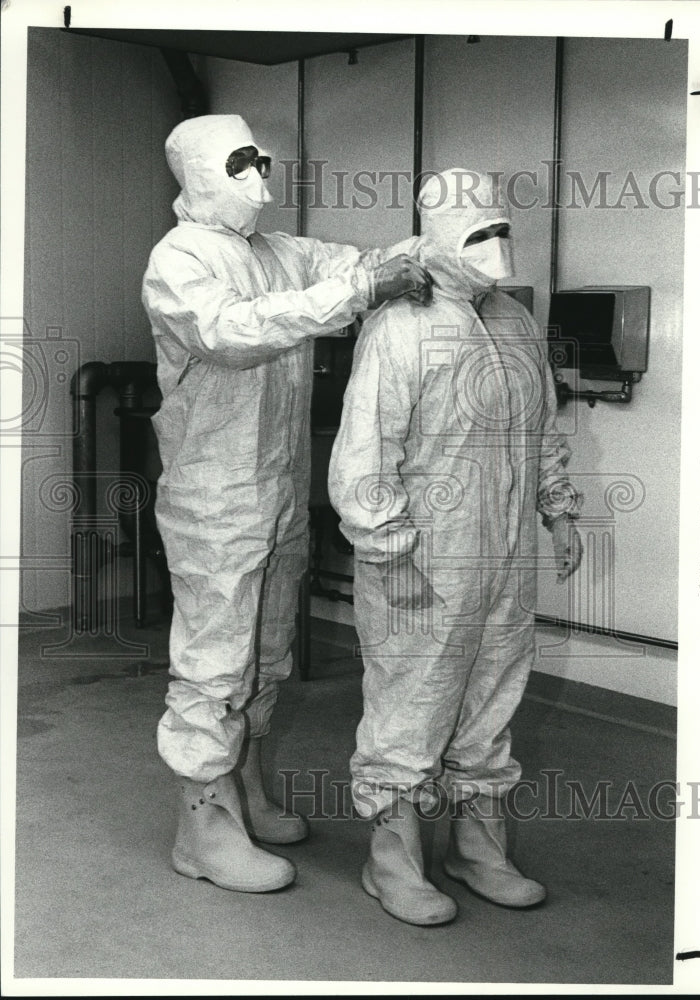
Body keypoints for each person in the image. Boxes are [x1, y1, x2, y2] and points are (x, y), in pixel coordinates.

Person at [141, 114, 432, 894]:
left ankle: (248, 787)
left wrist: (429, 248)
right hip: (214, 500)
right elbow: (231, 332)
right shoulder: (179, 259)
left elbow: (358, 263)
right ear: (200, 169)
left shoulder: (277, 251)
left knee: (266, 653)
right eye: (240, 164)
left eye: (260, 162)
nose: (257, 180)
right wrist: (356, 292)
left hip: (275, 494)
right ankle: (201, 824)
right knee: (212, 663)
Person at [328, 168, 583, 925]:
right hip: (419, 560)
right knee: (409, 705)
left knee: (491, 699)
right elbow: (364, 453)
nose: (495, 247)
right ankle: (393, 860)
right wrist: (386, 550)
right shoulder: (398, 327)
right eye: (476, 234)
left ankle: (477, 849)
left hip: (501, 558)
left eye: (500, 229)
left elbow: (538, 429)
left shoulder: (511, 321)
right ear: (438, 240)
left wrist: (557, 509)